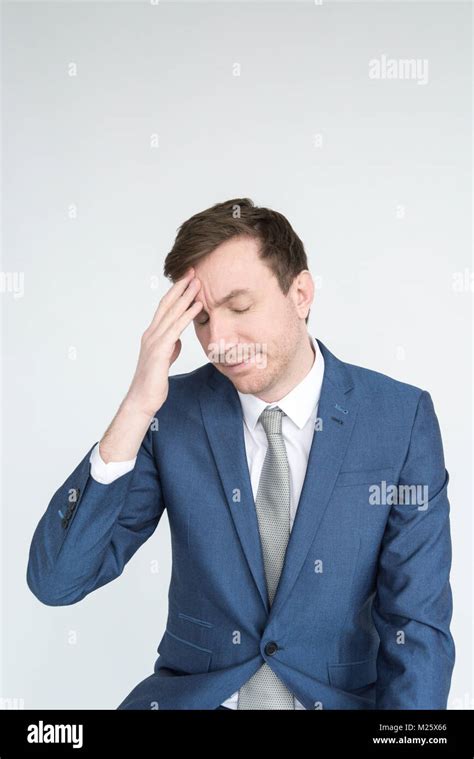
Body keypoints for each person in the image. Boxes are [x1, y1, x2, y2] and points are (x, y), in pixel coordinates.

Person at [26, 198, 455, 710]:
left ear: (300, 292)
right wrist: (138, 404)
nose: (220, 341)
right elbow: (57, 580)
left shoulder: (398, 419)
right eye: (202, 319)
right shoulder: (172, 415)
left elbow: (417, 623)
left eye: (240, 307)